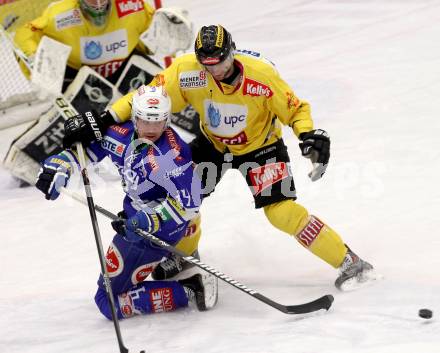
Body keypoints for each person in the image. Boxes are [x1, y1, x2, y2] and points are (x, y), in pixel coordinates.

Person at [62, 24, 375, 291]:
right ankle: (184, 253)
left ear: (232, 52)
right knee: (184, 199)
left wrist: (308, 135)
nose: (214, 71)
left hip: (261, 149)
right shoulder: (189, 71)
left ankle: (349, 261)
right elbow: (150, 94)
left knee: (281, 213)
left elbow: (296, 109)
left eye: (220, 62)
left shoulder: (262, 76)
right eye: (206, 63)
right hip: (214, 145)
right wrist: (104, 118)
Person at [35, 85, 218, 319]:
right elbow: (85, 152)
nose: (151, 129)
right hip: (135, 218)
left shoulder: (171, 154)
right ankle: (176, 259)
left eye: (158, 121)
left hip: (159, 231)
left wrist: (148, 220)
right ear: (134, 118)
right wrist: (60, 164)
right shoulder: (119, 134)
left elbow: (190, 204)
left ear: (167, 120)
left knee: (107, 302)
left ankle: (191, 289)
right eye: (145, 121)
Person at [13, 0, 192, 88]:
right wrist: (32, 53)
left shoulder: (132, 5)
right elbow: (25, 32)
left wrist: (166, 32)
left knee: (163, 91)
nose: (98, 4)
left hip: (125, 67)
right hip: (78, 77)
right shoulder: (59, 14)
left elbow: (150, 37)